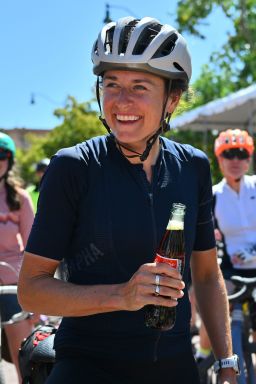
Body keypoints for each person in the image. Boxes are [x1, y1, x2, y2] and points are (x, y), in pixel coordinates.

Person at [18, 17, 237, 384]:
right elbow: (31, 291)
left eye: (139, 86)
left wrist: (227, 362)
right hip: (88, 366)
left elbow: (205, 274)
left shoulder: (193, 167)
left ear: (172, 98)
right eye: (111, 84)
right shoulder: (74, 167)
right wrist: (122, 295)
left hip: (175, 366)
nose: (122, 101)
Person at [197, 128, 256, 360]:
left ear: (249, 159)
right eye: (228, 154)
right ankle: (202, 354)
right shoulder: (214, 195)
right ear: (219, 159)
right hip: (230, 268)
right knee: (212, 308)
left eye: (241, 154)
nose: (235, 160)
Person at [0, 132, 34, 383]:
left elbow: (35, 250)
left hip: (13, 286)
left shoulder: (20, 198)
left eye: (2, 155)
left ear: (10, 160)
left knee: (25, 359)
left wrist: (36, 299)